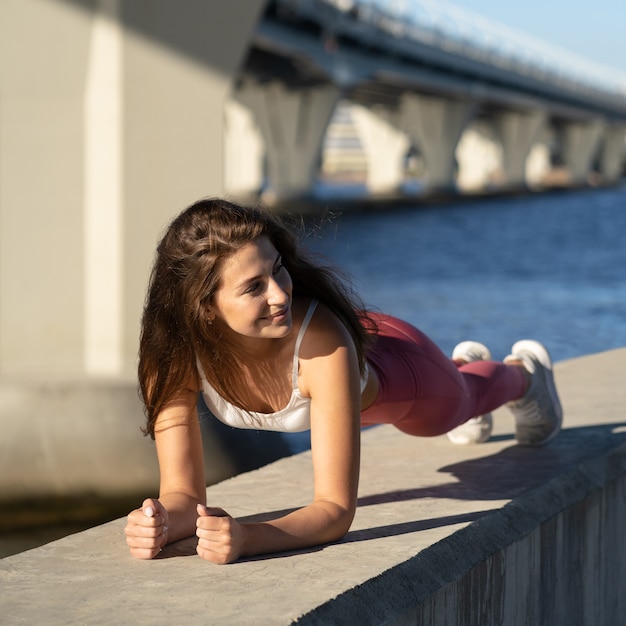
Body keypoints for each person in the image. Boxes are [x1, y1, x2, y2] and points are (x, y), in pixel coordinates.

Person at [124, 197, 562, 564]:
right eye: (253, 287)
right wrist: (159, 520)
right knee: (459, 398)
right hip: (365, 344)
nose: (280, 294)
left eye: (278, 269)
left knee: (455, 407)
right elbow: (183, 492)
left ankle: (524, 374)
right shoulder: (171, 357)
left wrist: (249, 537)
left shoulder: (322, 343)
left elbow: (334, 510)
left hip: (404, 373)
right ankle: (466, 364)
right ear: (203, 307)